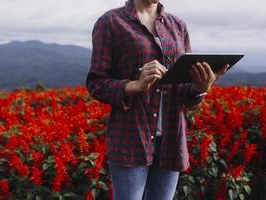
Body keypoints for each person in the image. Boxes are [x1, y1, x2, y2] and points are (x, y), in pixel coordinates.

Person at [86, 0, 229, 199]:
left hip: (171, 142)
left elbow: (185, 94)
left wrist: (200, 88)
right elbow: (96, 83)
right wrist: (135, 85)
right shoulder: (111, 22)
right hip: (131, 141)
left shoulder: (178, 25)